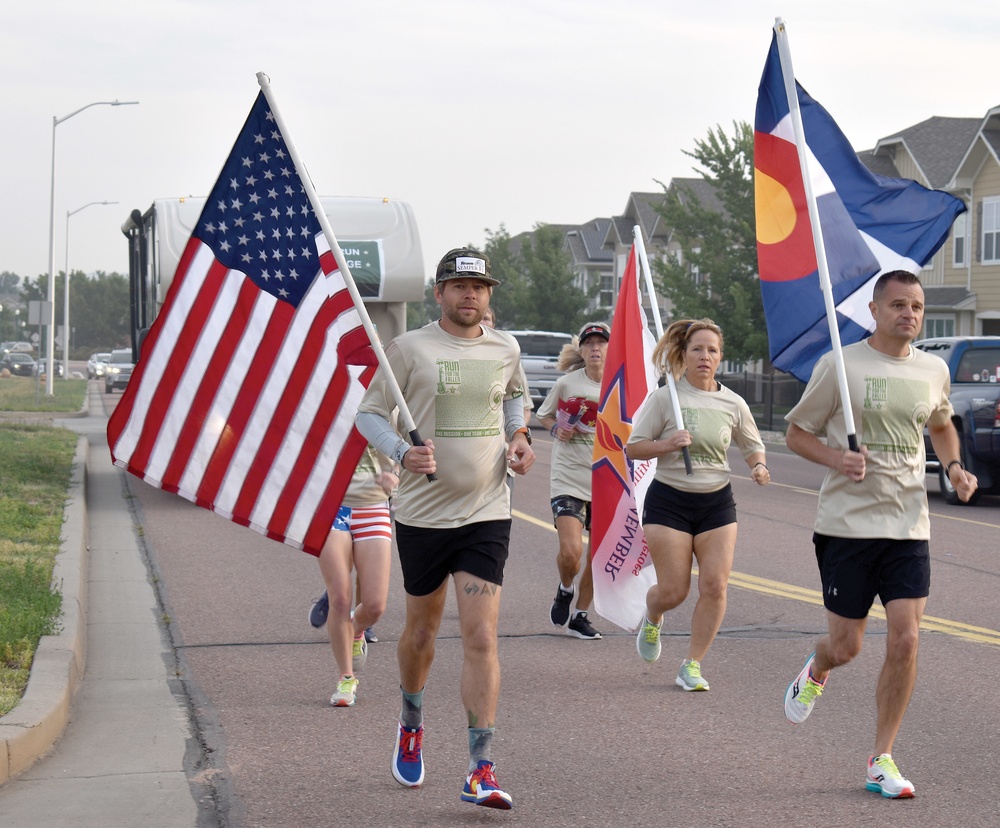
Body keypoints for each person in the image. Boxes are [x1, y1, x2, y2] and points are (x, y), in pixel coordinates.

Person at [782, 270, 977, 798]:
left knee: (907, 637)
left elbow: (940, 423)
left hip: (909, 525)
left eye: (915, 306)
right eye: (897, 305)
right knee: (847, 647)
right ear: (874, 310)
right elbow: (795, 433)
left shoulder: (934, 369)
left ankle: (881, 758)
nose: (908, 314)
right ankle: (818, 665)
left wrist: (954, 466)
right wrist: (835, 458)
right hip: (847, 526)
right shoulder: (841, 366)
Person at [356, 247, 534, 810]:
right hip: (422, 514)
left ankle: (481, 767)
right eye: (459, 287)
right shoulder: (409, 348)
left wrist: (520, 437)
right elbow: (368, 413)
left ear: (489, 295)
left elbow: (515, 397)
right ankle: (411, 718)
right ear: (439, 293)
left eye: (480, 287)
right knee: (423, 634)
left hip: (486, 510)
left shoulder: (505, 347)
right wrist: (400, 455)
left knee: (481, 634)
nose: (470, 296)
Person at [625, 318, 769, 691]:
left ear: (720, 357)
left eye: (712, 350)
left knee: (715, 586)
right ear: (684, 355)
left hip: (716, 503)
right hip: (669, 501)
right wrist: (667, 445)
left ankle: (692, 664)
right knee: (675, 590)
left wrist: (758, 466)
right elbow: (634, 446)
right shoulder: (666, 397)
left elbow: (751, 444)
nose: (705, 356)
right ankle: (653, 615)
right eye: (697, 349)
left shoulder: (732, 402)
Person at [536, 322, 610, 640]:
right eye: (589, 343)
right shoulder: (568, 384)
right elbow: (544, 415)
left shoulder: (620, 388)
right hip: (568, 477)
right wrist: (557, 429)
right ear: (580, 350)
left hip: (607, 481)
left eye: (601, 343)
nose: (595, 348)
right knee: (571, 553)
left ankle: (580, 615)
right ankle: (565, 588)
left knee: (597, 556)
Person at [308, 446, 397, 707]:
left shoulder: (386, 403)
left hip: (372, 504)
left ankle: (356, 628)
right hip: (330, 506)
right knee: (339, 597)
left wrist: (396, 473)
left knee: (375, 606)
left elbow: (409, 443)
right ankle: (346, 678)